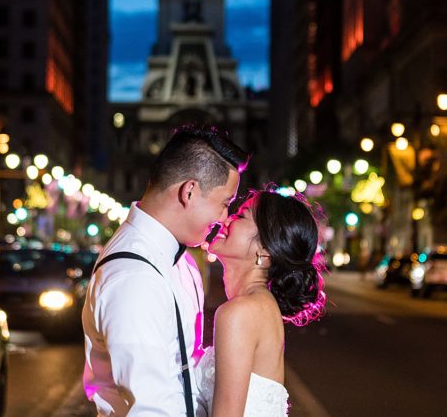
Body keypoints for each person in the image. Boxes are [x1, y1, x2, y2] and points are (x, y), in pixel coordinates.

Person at [82, 125, 248, 416]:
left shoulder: (176, 259)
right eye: (225, 203)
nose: (224, 218)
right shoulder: (134, 277)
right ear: (190, 191)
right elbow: (150, 408)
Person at [196, 189, 326, 417]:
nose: (226, 220)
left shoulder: (240, 312)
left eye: (241, 216)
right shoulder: (259, 305)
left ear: (265, 252)